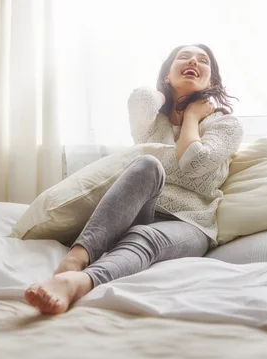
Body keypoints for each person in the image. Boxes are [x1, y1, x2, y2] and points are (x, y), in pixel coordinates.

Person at [25, 44, 243, 314]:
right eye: (183, 57)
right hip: (136, 210)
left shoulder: (225, 125)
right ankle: (73, 261)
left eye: (203, 60)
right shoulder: (154, 122)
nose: (193, 62)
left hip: (189, 222)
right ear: (166, 75)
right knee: (147, 164)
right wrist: (169, 95)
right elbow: (140, 98)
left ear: (212, 81)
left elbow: (192, 162)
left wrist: (192, 115)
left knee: (143, 235)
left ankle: (79, 282)